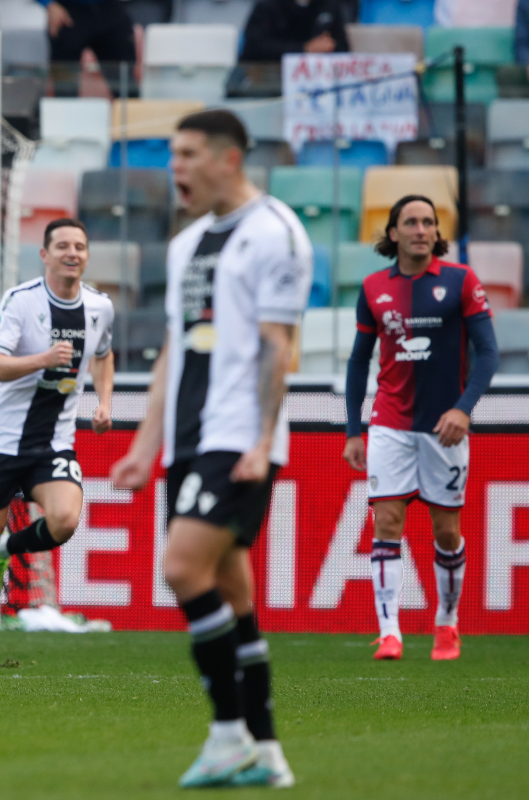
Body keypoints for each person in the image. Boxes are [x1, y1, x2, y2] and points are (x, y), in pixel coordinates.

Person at [110, 110, 311, 788]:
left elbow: (280, 347)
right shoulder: (187, 241)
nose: (178, 166)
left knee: (180, 568)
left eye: (189, 154)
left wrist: (261, 441)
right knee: (231, 588)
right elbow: (175, 347)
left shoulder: (276, 233)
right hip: (188, 442)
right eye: (173, 154)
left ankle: (227, 735)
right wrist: (145, 443)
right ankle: (269, 752)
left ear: (229, 159)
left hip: (237, 439)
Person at [0, 217, 114, 658]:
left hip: (54, 442)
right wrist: (43, 358)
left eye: (80, 245)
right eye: (63, 246)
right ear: (45, 254)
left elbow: (104, 357)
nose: (73, 253)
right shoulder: (20, 301)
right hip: (1, 440)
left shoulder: (100, 307)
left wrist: (104, 401)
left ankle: (8, 550)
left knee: (65, 521)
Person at [342, 196, 499, 663]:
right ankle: (389, 632)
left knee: (446, 530)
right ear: (393, 233)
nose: (420, 229)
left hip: (444, 428)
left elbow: (488, 354)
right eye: (410, 222)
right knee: (387, 522)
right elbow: (357, 361)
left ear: (436, 232)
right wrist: (355, 429)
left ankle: (447, 623)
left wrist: (464, 409)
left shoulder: (461, 281)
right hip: (390, 423)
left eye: (428, 222)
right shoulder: (373, 287)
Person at [240, 0, 349, 62]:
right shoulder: (267, 5)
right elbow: (254, 47)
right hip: (268, 80)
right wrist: (304, 49)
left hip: (318, 80)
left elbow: (343, 47)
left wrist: (329, 45)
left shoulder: (329, 5)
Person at [39, 0, 136, 66]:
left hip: (109, 8)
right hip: (66, 11)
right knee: (64, 83)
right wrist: (49, 4)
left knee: (125, 80)